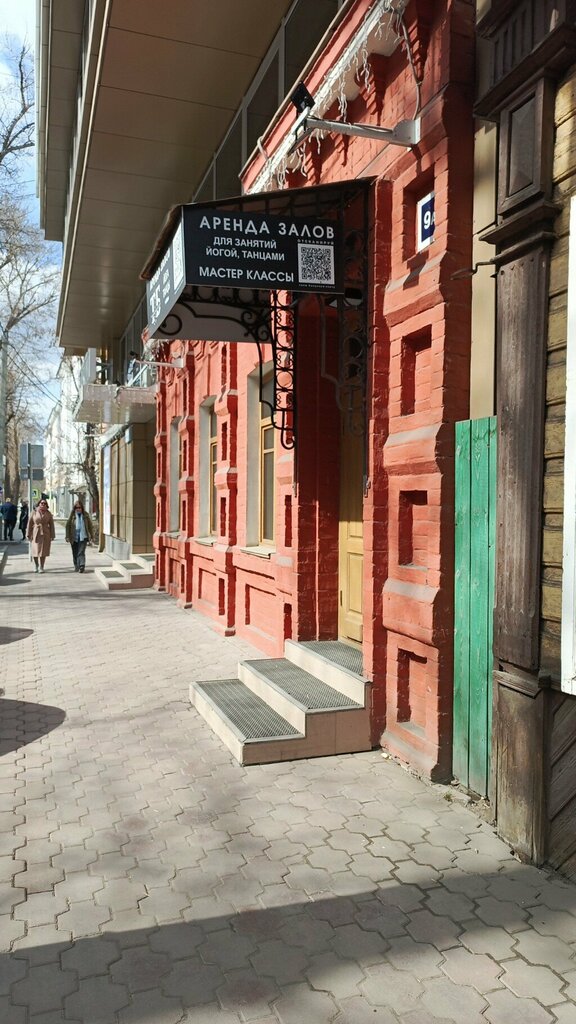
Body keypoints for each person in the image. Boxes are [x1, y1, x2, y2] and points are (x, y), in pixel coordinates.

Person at [65, 499, 95, 573]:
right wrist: (67, 536)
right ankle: (76, 565)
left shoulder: (85, 515)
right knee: (75, 552)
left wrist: (92, 536)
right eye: (76, 508)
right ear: (74, 508)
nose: (78, 509)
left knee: (81, 552)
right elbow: (67, 526)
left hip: (83, 537)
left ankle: (82, 566)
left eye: (79, 507)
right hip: (74, 537)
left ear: (82, 508)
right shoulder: (72, 515)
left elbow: (90, 526)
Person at [27, 499, 55, 573]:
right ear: (39, 504)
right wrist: (28, 534)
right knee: (35, 550)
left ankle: (41, 567)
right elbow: (29, 523)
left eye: (44, 503)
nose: (43, 504)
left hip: (45, 534)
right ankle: (36, 565)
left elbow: (51, 525)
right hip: (36, 533)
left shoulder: (48, 513)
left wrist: (52, 535)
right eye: (41, 503)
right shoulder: (34, 512)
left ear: (46, 505)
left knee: (43, 551)